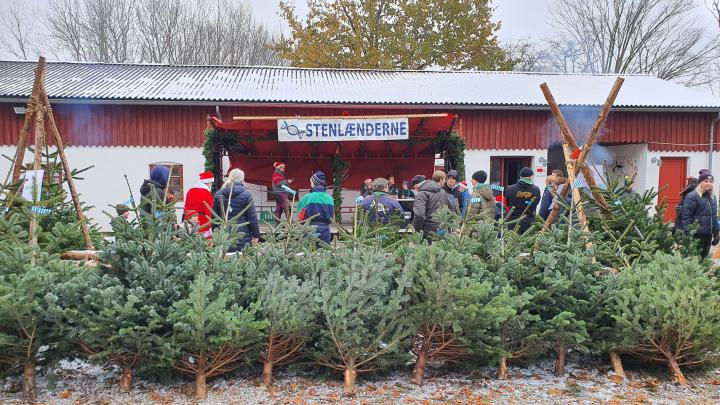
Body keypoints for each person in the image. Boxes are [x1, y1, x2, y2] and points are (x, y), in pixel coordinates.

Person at [213, 168, 260, 252]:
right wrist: (256, 235)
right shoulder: (246, 195)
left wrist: (215, 235)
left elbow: (214, 217)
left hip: (223, 236)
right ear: (242, 179)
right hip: (242, 235)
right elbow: (252, 218)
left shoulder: (218, 194)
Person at [681, 170, 719, 258]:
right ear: (700, 182)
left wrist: (716, 233)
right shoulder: (692, 196)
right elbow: (687, 217)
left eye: (710, 181)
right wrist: (688, 234)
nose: (708, 184)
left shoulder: (713, 197)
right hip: (696, 234)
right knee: (695, 260)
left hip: (708, 235)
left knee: (704, 258)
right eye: (705, 181)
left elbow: (714, 217)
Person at [412, 170, 455, 238]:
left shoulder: (421, 194)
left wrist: (415, 230)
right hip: (443, 229)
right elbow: (452, 210)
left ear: (416, 186)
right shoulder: (443, 192)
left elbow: (419, 215)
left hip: (427, 232)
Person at [297, 171, 335, 245]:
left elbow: (300, 217)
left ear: (314, 183)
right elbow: (332, 216)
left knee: (309, 254)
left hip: (309, 230)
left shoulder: (307, 197)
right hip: (325, 231)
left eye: (311, 181)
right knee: (324, 254)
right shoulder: (330, 198)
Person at [505, 167, 541, 234]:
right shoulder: (536, 189)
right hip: (529, 221)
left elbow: (507, 203)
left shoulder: (510, 189)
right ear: (530, 177)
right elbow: (535, 203)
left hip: (513, 221)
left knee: (513, 243)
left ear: (520, 177)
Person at [183, 170, 215, 238]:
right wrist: (210, 226)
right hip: (202, 223)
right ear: (208, 183)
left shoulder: (190, 191)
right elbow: (209, 211)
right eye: (211, 183)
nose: (211, 185)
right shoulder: (206, 193)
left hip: (190, 221)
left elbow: (186, 208)